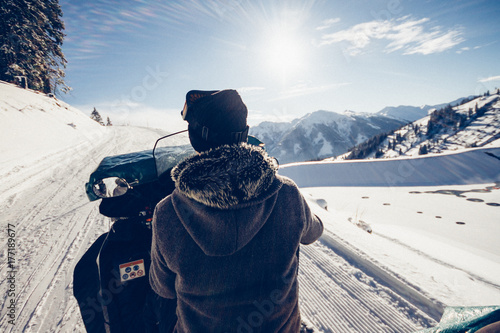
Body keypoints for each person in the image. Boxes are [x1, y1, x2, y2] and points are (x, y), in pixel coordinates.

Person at [149, 89, 323, 333]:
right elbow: (314, 232)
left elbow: (162, 287)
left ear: (195, 137)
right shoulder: (287, 193)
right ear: (245, 133)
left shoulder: (167, 212)